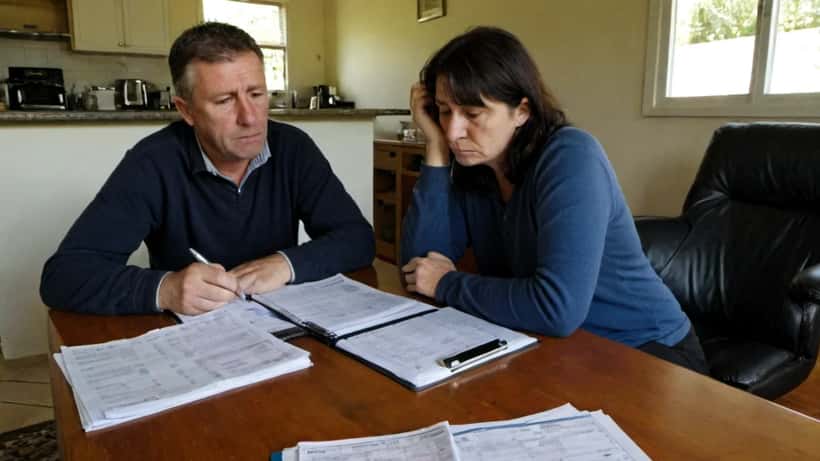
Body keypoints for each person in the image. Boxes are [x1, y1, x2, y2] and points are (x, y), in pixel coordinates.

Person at [401, 26, 708, 374]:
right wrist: (435, 149)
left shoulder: (571, 157)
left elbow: (556, 309)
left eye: (472, 114)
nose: (453, 131)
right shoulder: (475, 167)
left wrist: (446, 283)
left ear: (522, 111)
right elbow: (417, 269)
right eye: (443, 111)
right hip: (555, 347)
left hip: (648, 352)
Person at [40, 22, 374, 316]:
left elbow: (358, 238)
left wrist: (287, 265)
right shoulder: (152, 162)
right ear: (186, 111)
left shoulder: (293, 148)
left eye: (257, 94)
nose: (250, 117)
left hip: (285, 328)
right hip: (194, 338)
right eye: (224, 101)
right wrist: (166, 289)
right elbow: (63, 277)